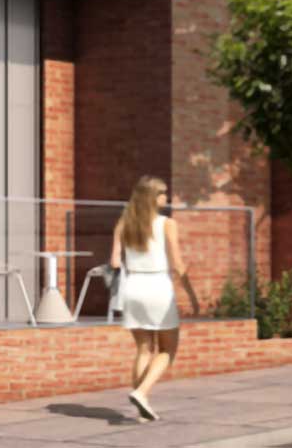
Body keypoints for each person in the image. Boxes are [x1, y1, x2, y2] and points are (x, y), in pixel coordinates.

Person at [112, 176, 185, 421]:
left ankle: (140, 408)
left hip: (132, 288)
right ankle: (142, 392)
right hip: (157, 287)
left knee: (144, 349)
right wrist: (191, 293)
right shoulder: (167, 223)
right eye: (163, 193)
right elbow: (177, 263)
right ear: (151, 197)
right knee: (167, 349)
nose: (167, 197)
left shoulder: (124, 223)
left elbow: (114, 262)